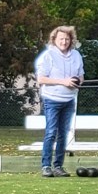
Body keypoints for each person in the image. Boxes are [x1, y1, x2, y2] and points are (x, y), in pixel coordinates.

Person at [34, 26, 84, 178]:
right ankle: (46, 166)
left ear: (71, 40)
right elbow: (41, 79)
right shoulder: (48, 56)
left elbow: (81, 76)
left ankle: (58, 166)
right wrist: (63, 82)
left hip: (69, 100)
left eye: (67, 39)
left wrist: (77, 83)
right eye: (61, 39)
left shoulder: (76, 55)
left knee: (63, 134)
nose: (64, 42)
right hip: (52, 99)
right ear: (54, 40)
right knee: (51, 132)